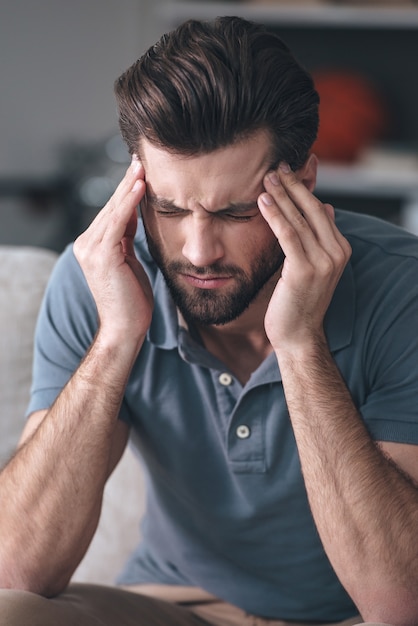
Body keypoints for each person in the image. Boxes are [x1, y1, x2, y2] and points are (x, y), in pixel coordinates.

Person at [0, 15, 417, 626]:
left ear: (301, 183)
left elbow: (398, 602)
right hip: (173, 606)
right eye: (168, 208)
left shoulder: (402, 289)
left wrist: (300, 344)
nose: (197, 251)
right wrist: (117, 337)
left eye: (235, 212)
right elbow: (17, 572)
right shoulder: (97, 278)